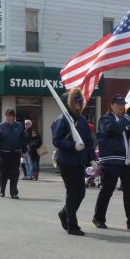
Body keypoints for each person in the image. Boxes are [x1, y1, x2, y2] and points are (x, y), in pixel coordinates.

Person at [92, 94, 130, 231]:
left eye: (123, 104)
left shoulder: (127, 122)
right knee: (107, 191)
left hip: (127, 162)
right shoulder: (105, 119)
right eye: (118, 104)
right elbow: (112, 129)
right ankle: (98, 218)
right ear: (112, 106)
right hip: (111, 162)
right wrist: (127, 117)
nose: (122, 107)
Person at [52, 88, 96, 236]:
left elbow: (89, 143)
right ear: (70, 103)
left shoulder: (83, 120)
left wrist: (92, 159)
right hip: (65, 160)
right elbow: (56, 140)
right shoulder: (62, 120)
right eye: (77, 101)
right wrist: (72, 146)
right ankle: (72, 225)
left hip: (79, 161)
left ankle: (64, 214)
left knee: (81, 193)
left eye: (81, 101)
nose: (80, 103)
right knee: (72, 192)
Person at [0, 109, 26, 198]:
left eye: (11, 116)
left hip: (16, 153)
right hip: (4, 153)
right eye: (7, 116)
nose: (9, 118)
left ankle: (14, 192)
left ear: (14, 117)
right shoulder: (0, 126)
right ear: (5, 116)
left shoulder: (19, 126)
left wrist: (24, 151)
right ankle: (2, 190)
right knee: (3, 173)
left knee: (15, 173)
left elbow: (23, 139)